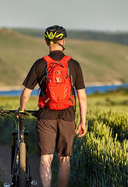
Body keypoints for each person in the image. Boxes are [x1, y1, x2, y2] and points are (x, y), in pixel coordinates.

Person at [18, 25, 87, 187]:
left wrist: (21, 110)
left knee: (46, 158)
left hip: (46, 116)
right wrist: (83, 121)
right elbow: (82, 97)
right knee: (64, 158)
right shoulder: (73, 64)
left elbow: (26, 93)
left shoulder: (40, 64)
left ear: (46, 42)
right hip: (68, 116)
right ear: (62, 41)